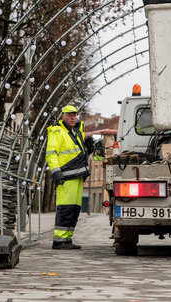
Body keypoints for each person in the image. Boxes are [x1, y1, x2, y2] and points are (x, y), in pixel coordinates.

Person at [45, 105, 104, 250]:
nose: (72, 118)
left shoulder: (75, 132)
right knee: (66, 208)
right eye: (69, 115)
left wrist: (88, 149)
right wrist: (56, 172)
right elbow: (51, 154)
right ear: (63, 116)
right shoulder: (57, 131)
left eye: (74, 115)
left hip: (77, 176)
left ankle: (67, 239)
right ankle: (59, 240)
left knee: (74, 209)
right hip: (66, 176)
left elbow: (77, 154)